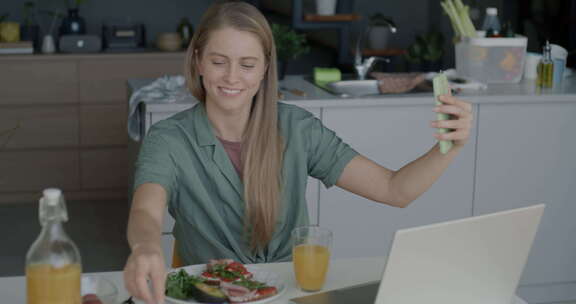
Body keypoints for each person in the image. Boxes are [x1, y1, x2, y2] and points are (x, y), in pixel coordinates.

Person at [123, 2, 473, 304]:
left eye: (247, 64)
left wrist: (450, 148)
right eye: (218, 61)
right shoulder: (169, 138)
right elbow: (145, 211)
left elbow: (394, 189)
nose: (232, 77)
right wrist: (145, 247)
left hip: (294, 292)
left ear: (264, 69)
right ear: (198, 61)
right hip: (210, 295)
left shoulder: (298, 128)